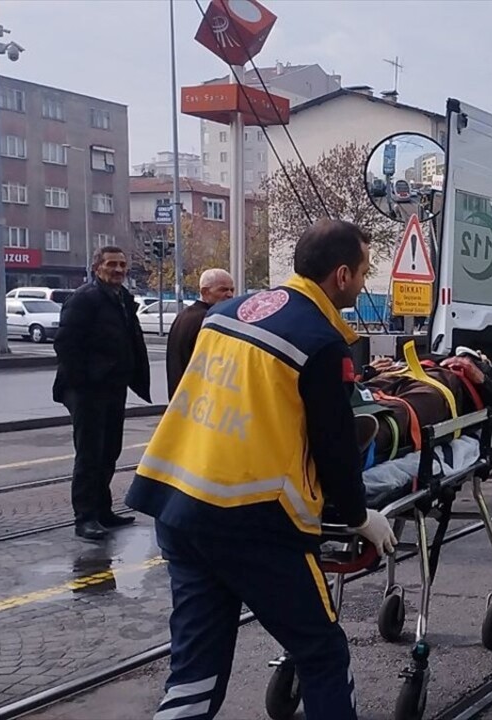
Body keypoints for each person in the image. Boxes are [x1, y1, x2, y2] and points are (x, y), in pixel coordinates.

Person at [125, 219, 397, 720]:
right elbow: (334, 446)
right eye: (362, 272)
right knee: (322, 653)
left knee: (195, 671)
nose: (363, 281)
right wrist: (361, 516)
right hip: (252, 520)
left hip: (178, 507)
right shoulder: (320, 342)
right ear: (341, 275)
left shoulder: (226, 313)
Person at [53, 245, 151, 542]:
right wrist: (83, 384)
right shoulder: (85, 299)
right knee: (90, 454)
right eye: (112, 264)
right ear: (97, 267)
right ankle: (85, 517)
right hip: (88, 391)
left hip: (113, 387)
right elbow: (66, 345)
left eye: (122, 265)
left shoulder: (121, 298)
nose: (118, 270)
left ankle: (103, 509)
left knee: (110, 450)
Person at [165, 268, 235, 396]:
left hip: (181, 395)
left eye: (232, 290)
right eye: (223, 289)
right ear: (205, 292)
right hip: (199, 396)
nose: (230, 294)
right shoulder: (209, 319)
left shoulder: (185, 315)